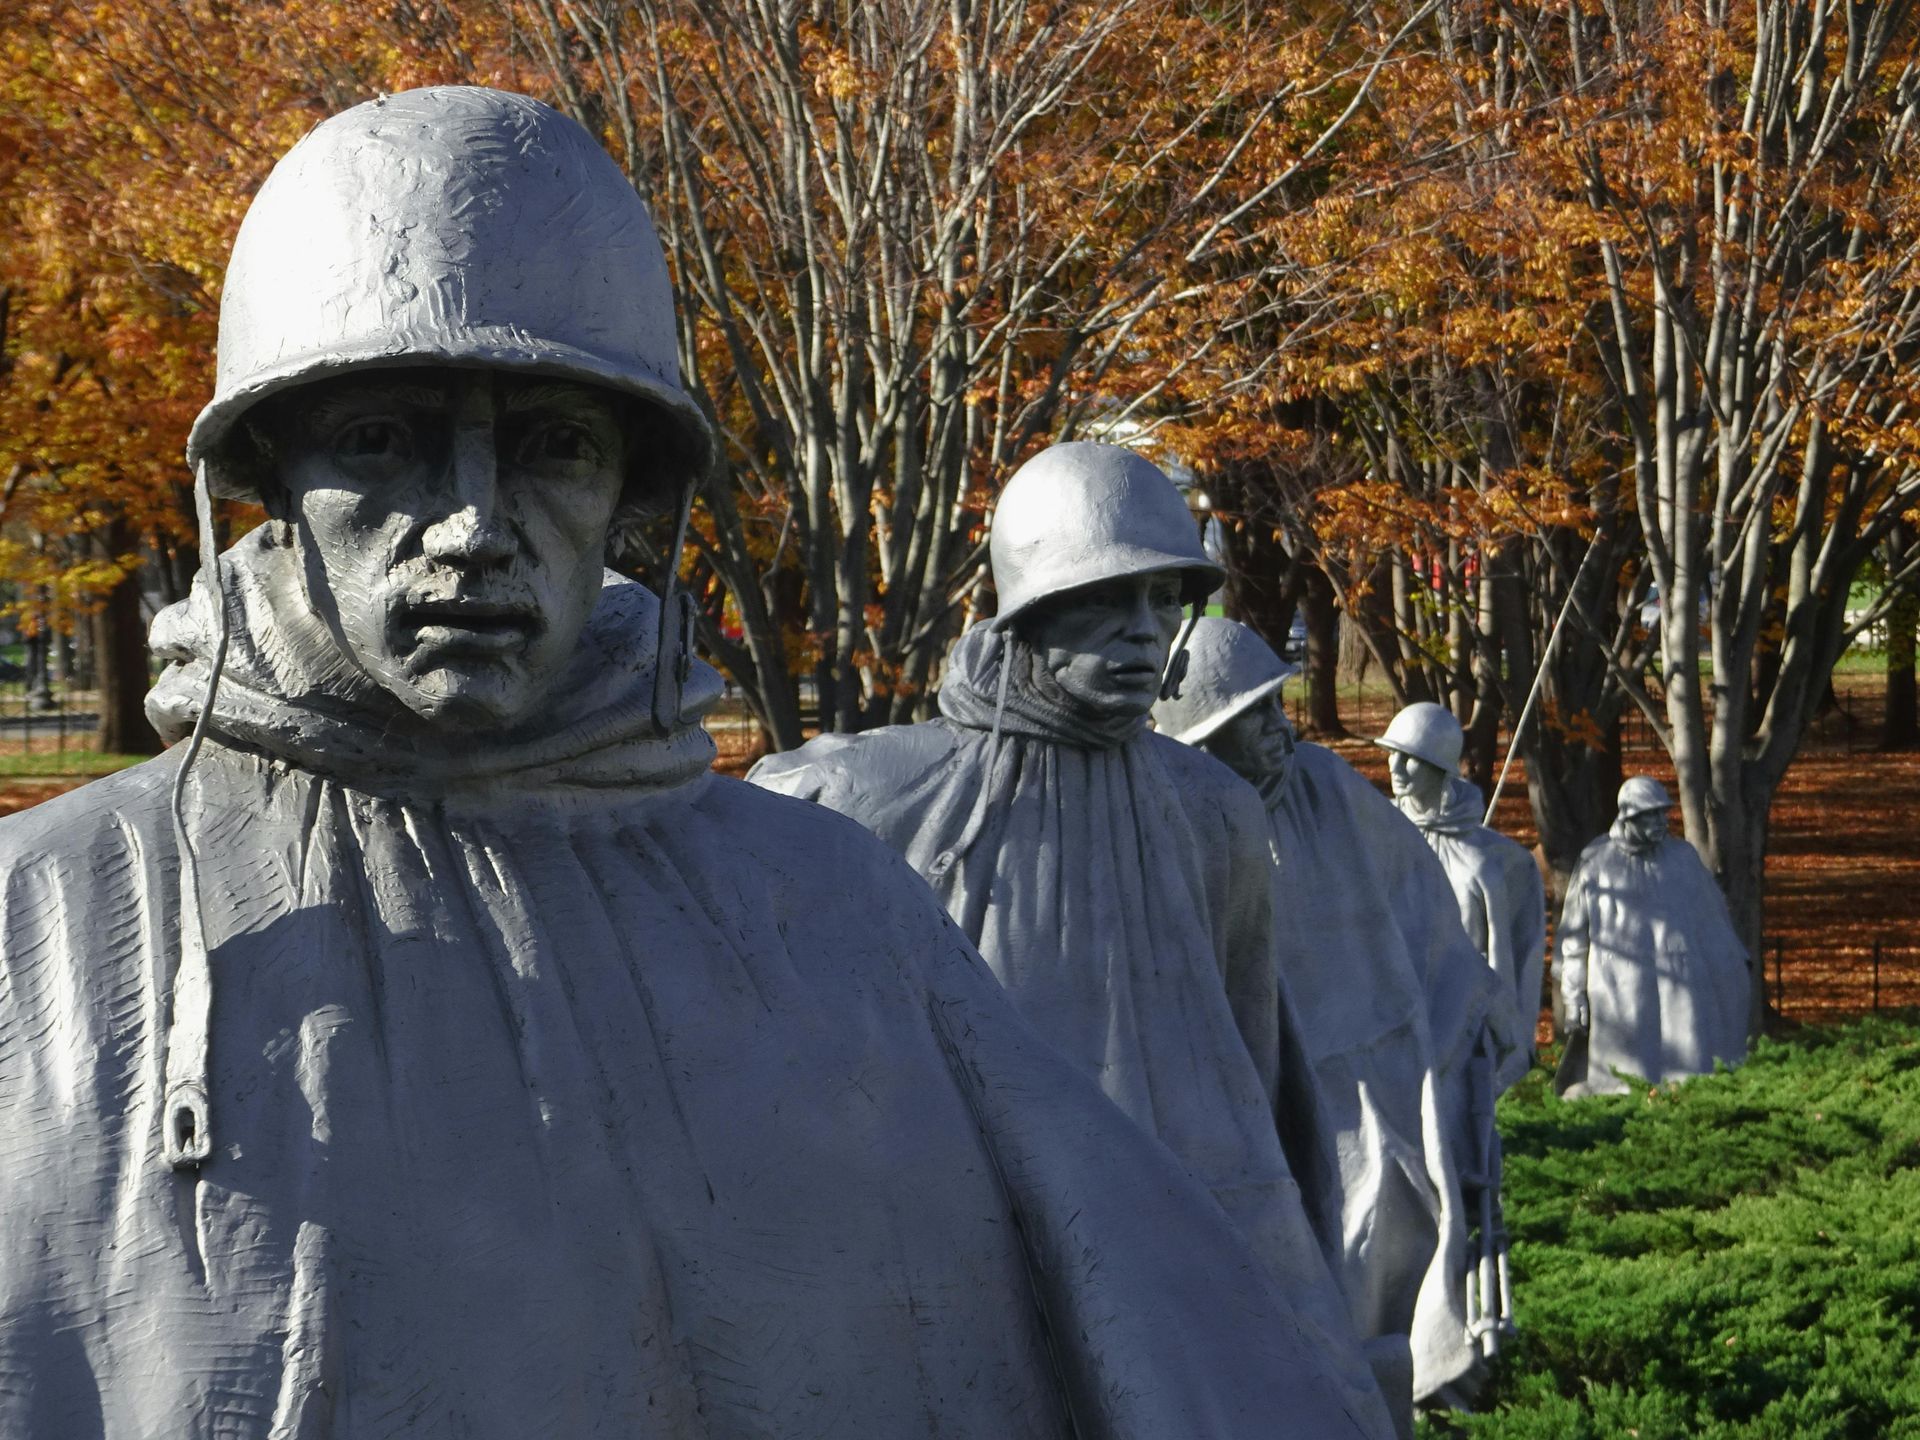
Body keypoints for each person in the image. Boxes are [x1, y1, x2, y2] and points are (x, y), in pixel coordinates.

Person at [0, 87, 1396, 1438]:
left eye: (553, 447)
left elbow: (1184, 1317)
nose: (475, 524)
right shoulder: (53, 924)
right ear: (271, 473)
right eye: (384, 440)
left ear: (632, 499)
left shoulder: (831, 913)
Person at [751, 442, 1384, 1421]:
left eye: (1163, 602)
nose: (1143, 637)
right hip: (970, 1272)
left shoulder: (1214, 813)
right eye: (1105, 600)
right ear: (1029, 607)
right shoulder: (867, 802)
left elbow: (1255, 1076)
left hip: (1191, 1269)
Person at [1154, 619, 1521, 1425]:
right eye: (1252, 717)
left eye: (1276, 704)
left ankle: (1389, 1389)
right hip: (1246, 1098)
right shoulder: (1168, 819)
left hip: (1372, 1080)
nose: (1279, 727)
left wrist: (1473, 1003)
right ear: (1204, 741)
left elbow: (1418, 901)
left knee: (1384, 1239)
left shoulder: (1327, 786)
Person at [1554, 777, 1752, 1097]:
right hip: (1617, 989)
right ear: (1628, 816)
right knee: (1620, 1082)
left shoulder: (1683, 857)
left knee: (1688, 1074)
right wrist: (1573, 992)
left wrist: (1732, 967)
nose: (1662, 822)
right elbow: (1574, 935)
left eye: (1663, 813)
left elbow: (1711, 920)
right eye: (1651, 815)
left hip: (1681, 987)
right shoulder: (1597, 860)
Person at [1378, 702, 1547, 1077]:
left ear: (1440, 767)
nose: (1395, 767)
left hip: (1458, 1026)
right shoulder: (1377, 836)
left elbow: (1498, 962)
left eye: (1409, 758)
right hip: (1388, 1017)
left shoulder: (1482, 863)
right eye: (1392, 754)